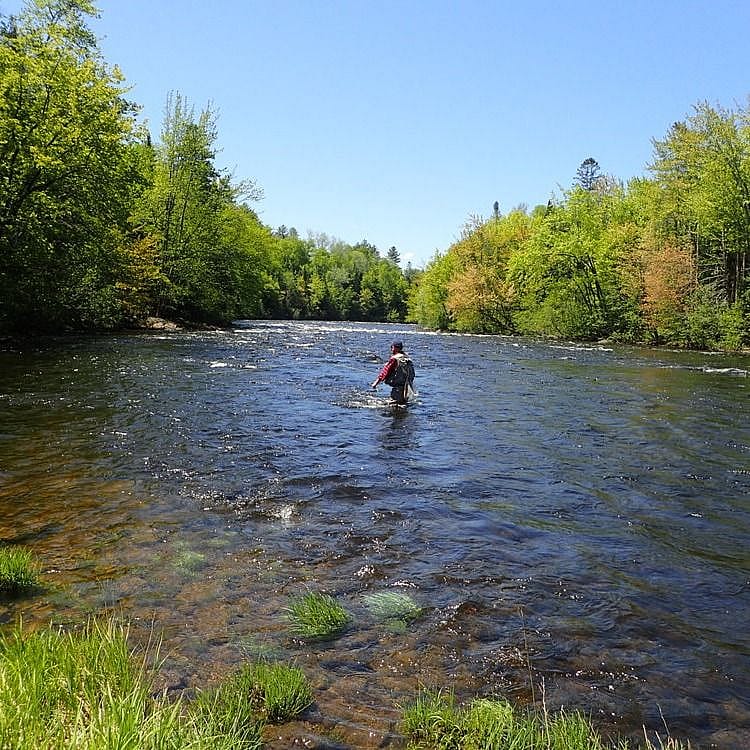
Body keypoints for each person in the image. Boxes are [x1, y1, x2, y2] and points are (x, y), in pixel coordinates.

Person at [371, 341, 415, 405]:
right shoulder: (407, 358)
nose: (391, 349)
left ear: (396, 348)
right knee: (403, 404)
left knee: (394, 404)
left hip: (398, 388)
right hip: (407, 387)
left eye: (392, 347)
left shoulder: (394, 358)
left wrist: (376, 383)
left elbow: (385, 371)